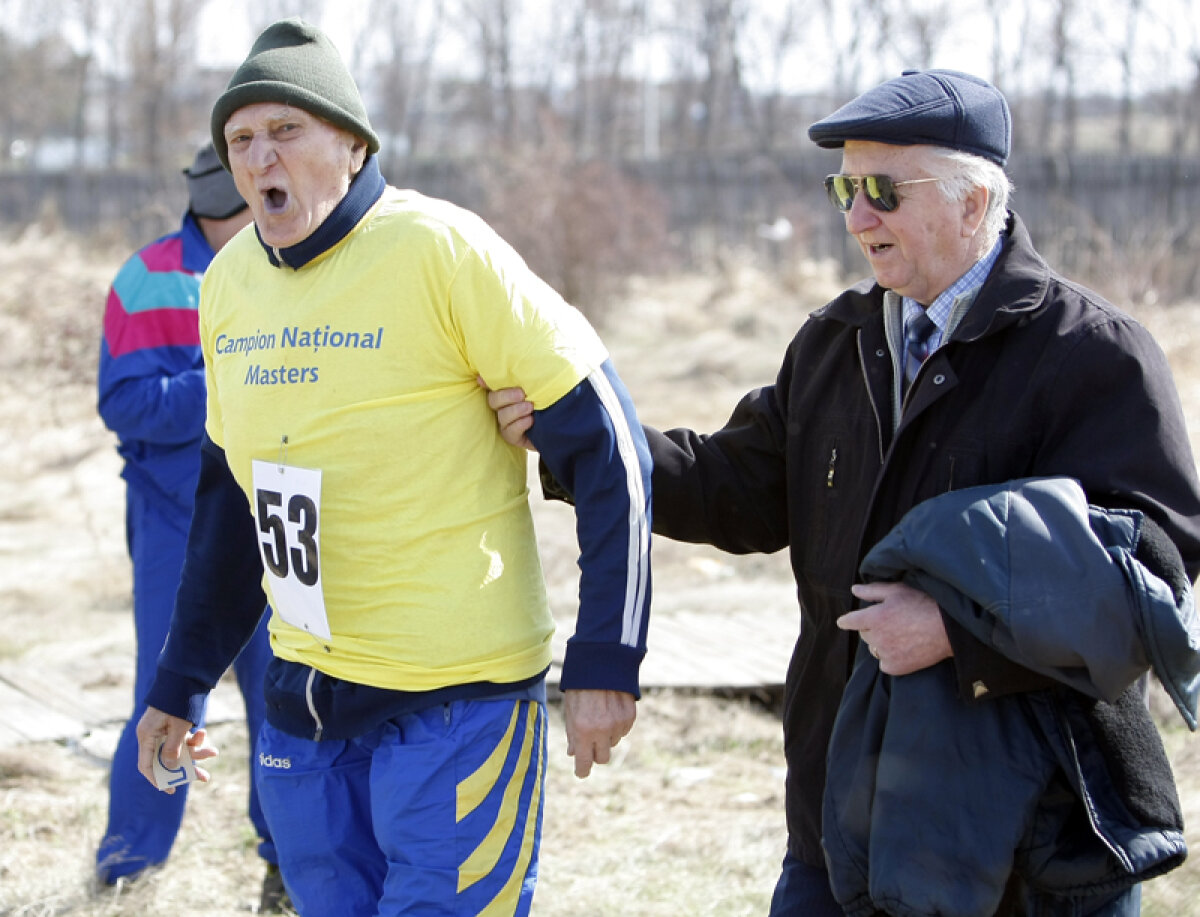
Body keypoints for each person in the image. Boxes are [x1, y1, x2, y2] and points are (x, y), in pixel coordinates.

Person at [488, 69, 1200, 915]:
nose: (858, 218)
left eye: (884, 192)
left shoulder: (1094, 356)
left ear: (973, 203)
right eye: (845, 189)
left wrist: (957, 631)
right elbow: (731, 486)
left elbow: (1154, 583)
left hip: (1028, 859)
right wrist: (578, 437)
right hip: (837, 833)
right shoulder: (836, 340)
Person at [133, 18, 652, 917]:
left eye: (286, 130)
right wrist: (180, 681)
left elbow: (612, 446)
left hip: (455, 702)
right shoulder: (227, 284)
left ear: (353, 143)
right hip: (304, 701)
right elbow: (232, 507)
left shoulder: (442, 250)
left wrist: (606, 656)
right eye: (241, 140)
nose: (261, 158)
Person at [96, 141, 285, 910]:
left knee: (282, 692)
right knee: (169, 694)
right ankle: (129, 860)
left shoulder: (285, 266)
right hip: (174, 523)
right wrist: (232, 375)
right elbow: (125, 404)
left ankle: (286, 859)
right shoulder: (149, 278)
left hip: (273, 515)